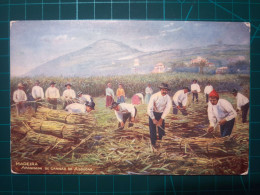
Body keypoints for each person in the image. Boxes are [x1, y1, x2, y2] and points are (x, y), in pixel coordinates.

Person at [147, 83, 172, 148]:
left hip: (161, 114)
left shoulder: (168, 98)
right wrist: (153, 119)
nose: (164, 91)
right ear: (160, 89)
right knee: (153, 130)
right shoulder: (154, 96)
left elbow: (167, 109)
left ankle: (161, 143)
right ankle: (153, 144)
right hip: (153, 113)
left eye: (166, 90)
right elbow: (149, 108)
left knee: (161, 130)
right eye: (163, 90)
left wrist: (161, 119)